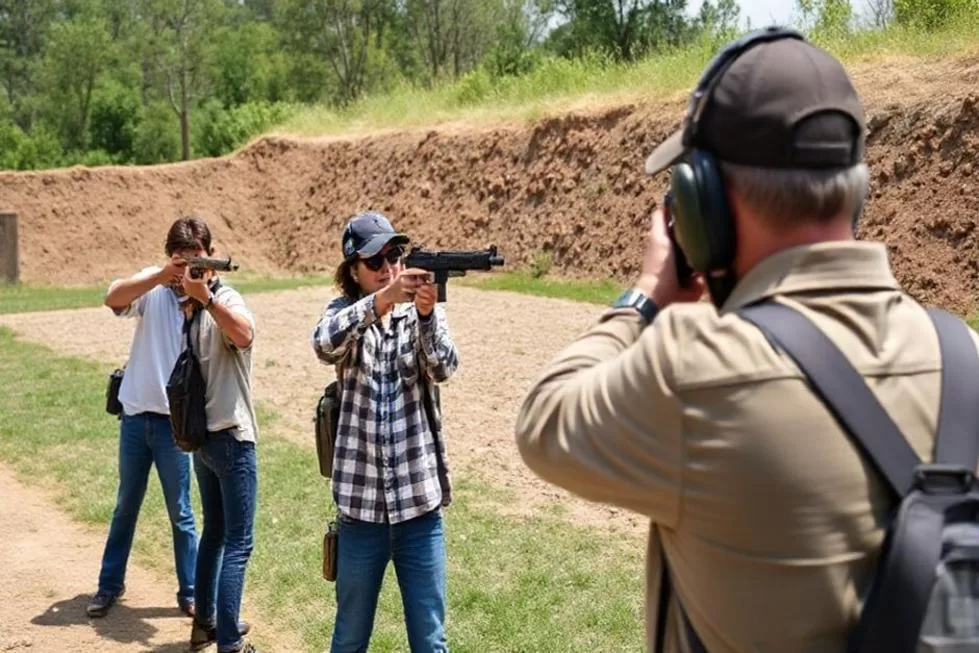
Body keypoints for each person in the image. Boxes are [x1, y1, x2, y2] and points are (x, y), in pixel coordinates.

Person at [513, 27, 979, 653]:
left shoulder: (692, 367)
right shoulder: (965, 358)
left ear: (703, 201)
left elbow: (545, 420)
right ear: (857, 188)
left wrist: (647, 296)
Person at [310, 211, 460, 653]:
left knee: (430, 643)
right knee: (350, 639)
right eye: (375, 261)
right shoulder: (343, 312)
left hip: (418, 509)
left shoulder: (419, 315)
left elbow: (444, 367)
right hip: (361, 515)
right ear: (353, 270)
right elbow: (323, 344)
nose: (389, 268)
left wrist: (428, 315)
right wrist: (382, 302)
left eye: (394, 255)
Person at [88, 218, 201, 619]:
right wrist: (159, 275)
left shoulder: (206, 298)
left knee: (182, 514)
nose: (185, 268)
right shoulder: (151, 288)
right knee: (125, 507)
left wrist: (196, 291)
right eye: (179, 260)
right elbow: (112, 297)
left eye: (194, 259)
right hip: (136, 417)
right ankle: (108, 585)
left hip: (176, 427)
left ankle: (191, 592)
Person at [169, 217, 260, 653]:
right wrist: (206, 297)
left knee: (216, 534)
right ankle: (229, 642)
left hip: (203, 440)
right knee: (239, 543)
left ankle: (206, 624)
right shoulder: (211, 302)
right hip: (229, 436)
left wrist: (200, 297)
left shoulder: (191, 307)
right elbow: (244, 334)